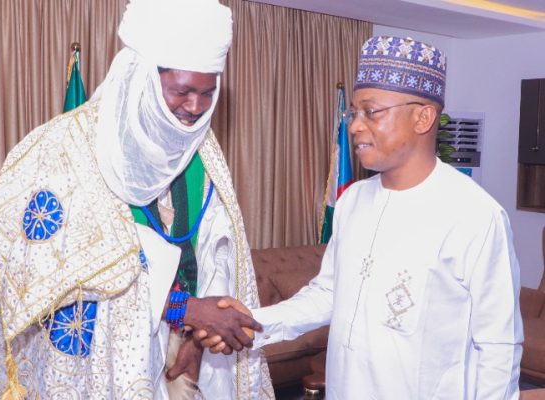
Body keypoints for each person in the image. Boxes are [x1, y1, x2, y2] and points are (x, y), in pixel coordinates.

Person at [0, 0, 274, 399]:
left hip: (181, 356)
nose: (195, 108)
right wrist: (184, 308)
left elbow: (216, 257)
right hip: (94, 366)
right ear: (143, 78)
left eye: (208, 93)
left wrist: (196, 340)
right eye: (181, 91)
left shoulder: (203, 153)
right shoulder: (61, 148)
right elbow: (32, 268)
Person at [202, 36, 524, 399]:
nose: (355, 126)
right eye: (353, 113)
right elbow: (329, 294)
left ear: (423, 117)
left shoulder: (475, 215)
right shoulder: (354, 200)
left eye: (371, 112)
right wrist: (253, 322)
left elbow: (498, 345)